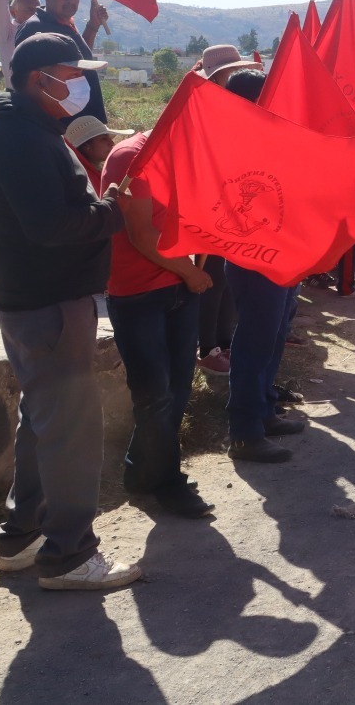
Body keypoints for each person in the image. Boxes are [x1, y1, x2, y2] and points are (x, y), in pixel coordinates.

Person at [0, 33, 139, 590]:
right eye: (72, 75)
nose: (81, 85)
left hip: (35, 301)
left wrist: (98, 207)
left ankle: (22, 535)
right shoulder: (22, 138)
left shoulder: (27, 130)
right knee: (70, 427)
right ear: (40, 78)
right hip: (47, 305)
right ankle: (70, 555)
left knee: (42, 420)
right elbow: (50, 227)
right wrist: (113, 212)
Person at [101, 130, 215, 518]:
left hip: (180, 287)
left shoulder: (191, 155)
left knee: (176, 389)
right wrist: (192, 274)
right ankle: (168, 483)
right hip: (139, 296)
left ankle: (140, 471)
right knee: (155, 393)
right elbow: (142, 233)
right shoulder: (132, 158)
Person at [214, 68, 307, 463]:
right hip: (255, 258)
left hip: (283, 253)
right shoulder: (231, 141)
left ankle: (265, 411)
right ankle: (244, 432)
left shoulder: (270, 136)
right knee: (255, 341)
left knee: (274, 335)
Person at [13, 0, 108, 123]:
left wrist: (93, 25)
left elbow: (80, 61)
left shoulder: (67, 24)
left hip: (86, 124)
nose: (71, 0)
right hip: (63, 126)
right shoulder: (35, 29)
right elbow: (29, 85)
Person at [64, 116, 134, 194]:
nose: (112, 143)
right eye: (104, 139)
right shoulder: (83, 180)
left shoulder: (88, 172)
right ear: (87, 146)